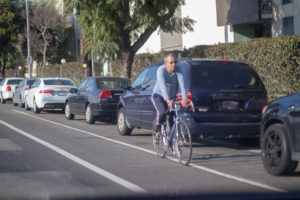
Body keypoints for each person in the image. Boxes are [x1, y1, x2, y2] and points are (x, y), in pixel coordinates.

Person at [151, 53, 188, 136]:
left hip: (172, 97)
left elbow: (182, 85)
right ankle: (158, 126)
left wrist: (184, 98)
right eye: (171, 62)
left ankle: (173, 141)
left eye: (175, 62)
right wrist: (167, 99)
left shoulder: (178, 70)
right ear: (165, 63)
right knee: (162, 111)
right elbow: (162, 85)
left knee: (172, 117)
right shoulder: (161, 70)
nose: (174, 64)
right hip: (159, 95)